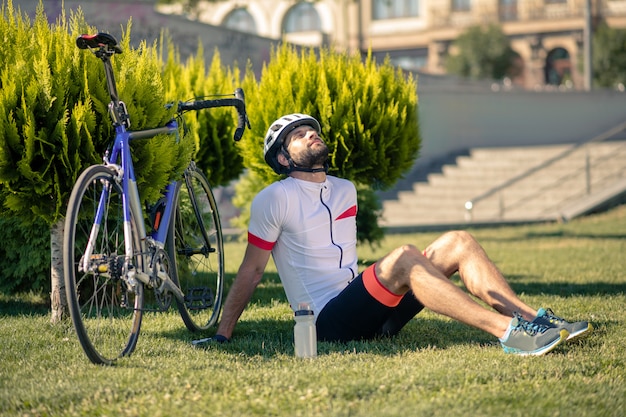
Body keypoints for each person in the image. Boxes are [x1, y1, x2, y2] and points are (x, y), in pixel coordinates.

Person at [194, 113, 592, 356]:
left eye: (311, 130)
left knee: (459, 241)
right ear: (282, 158)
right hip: (327, 323)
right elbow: (251, 271)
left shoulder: (345, 189)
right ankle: (509, 334)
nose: (310, 135)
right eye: (298, 136)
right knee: (403, 257)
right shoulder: (273, 199)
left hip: (370, 315)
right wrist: (224, 333)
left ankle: (534, 321)